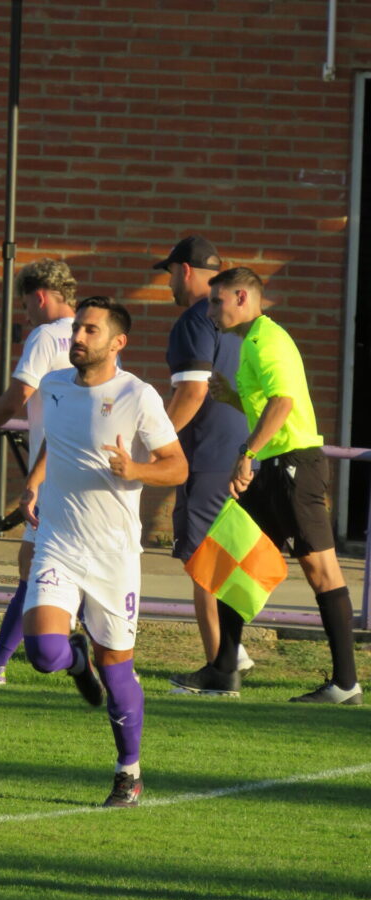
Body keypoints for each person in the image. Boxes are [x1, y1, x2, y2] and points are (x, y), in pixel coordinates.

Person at [20, 296, 188, 806]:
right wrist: (34, 483)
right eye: (76, 329)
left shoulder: (139, 395)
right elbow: (58, 442)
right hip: (59, 542)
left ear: (118, 342)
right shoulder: (53, 387)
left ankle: (128, 774)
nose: (77, 338)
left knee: (118, 670)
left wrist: (136, 470)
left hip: (114, 555)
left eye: (90, 331)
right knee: (43, 653)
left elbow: (177, 466)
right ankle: (74, 659)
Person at [175, 266, 362, 704]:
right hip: (277, 467)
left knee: (321, 571)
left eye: (216, 301)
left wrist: (247, 455)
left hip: (294, 467)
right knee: (229, 554)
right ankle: (224, 669)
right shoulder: (250, 342)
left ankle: (346, 684)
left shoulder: (265, 340)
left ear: (243, 298)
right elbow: (268, 403)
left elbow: (283, 403)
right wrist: (232, 398)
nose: (211, 310)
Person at [0, 259, 76, 685]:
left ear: (40, 297)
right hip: (79, 466)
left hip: (54, 472)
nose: (25, 314)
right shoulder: (91, 334)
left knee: (32, 567)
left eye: (26, 304)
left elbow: (15, 399)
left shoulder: (44, 335)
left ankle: (8, 663)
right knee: (41, 564)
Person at [151, 235, 254, 690]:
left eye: (170, 272)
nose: (170, 283)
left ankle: (220, 670)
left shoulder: (195, 319)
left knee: (204, 565)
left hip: (210, 454)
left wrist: (157, 444)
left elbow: (192, 391)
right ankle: (235, 653)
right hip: (246, 453)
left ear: (185, 271)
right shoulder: (244, 321)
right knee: (228, 561)